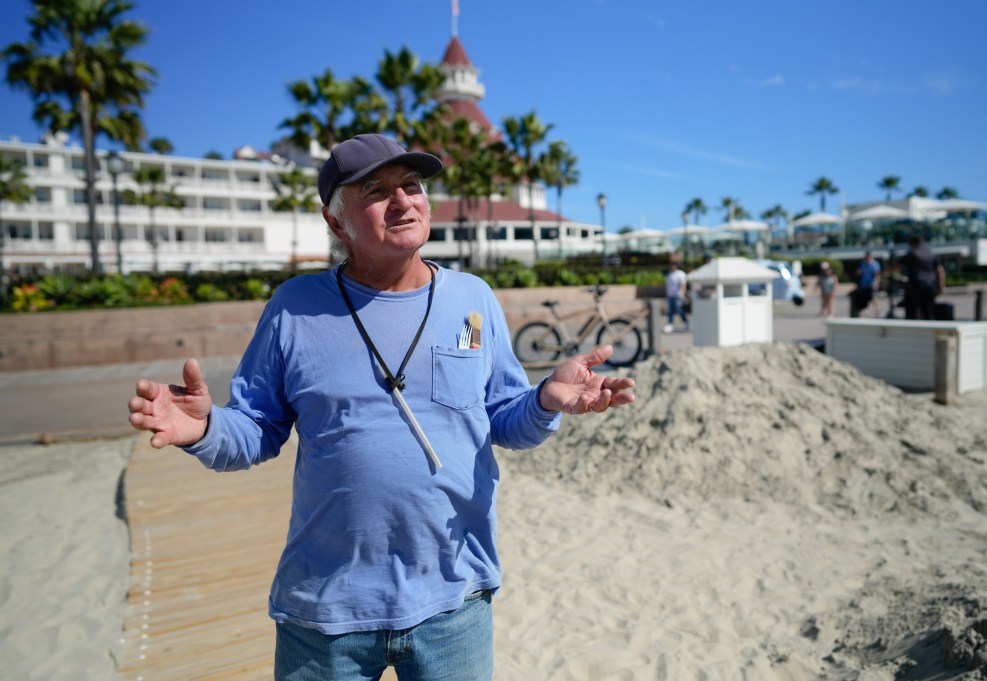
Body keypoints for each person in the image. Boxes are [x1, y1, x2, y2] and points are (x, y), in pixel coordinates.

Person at [127, 133, 637, 681]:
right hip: (326, 606)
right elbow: (256, 430)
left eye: (411, 186)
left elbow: (503, 423)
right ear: (335, 221)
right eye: (375, 191)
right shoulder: (295, 308)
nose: (402, 201)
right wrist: (204, 428)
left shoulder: (473, 299)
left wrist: (542, 400)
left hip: (454, 597)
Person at [898, 235, 945, 320]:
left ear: (912, 244)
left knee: (912, 312)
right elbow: (940, 271)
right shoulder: (932, 254)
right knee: (928, 311)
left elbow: (896, 266)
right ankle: (929, 330)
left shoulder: (912, 254)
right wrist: (941, 286)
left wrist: (882, 272)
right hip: (930, 286)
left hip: (916, 286)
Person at [851, 251, 880, 317]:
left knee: (872, 297)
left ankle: (877, 310)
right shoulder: (862, 264)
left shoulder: (875, 264)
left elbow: (876, 275)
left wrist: (876, 283)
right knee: (864, 298)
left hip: (870, 284)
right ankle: (865, 310)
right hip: (863, 284)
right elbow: (859, 273)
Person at [663, 259, 689, 333]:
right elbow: (668, 286)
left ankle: (685, 322)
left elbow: (683, 284)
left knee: (679, 309)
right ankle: (670, 324)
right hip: (670, 296)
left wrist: (682, 293)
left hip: (678, 295)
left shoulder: (680, 274)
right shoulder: (669, 274)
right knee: (670, 311)